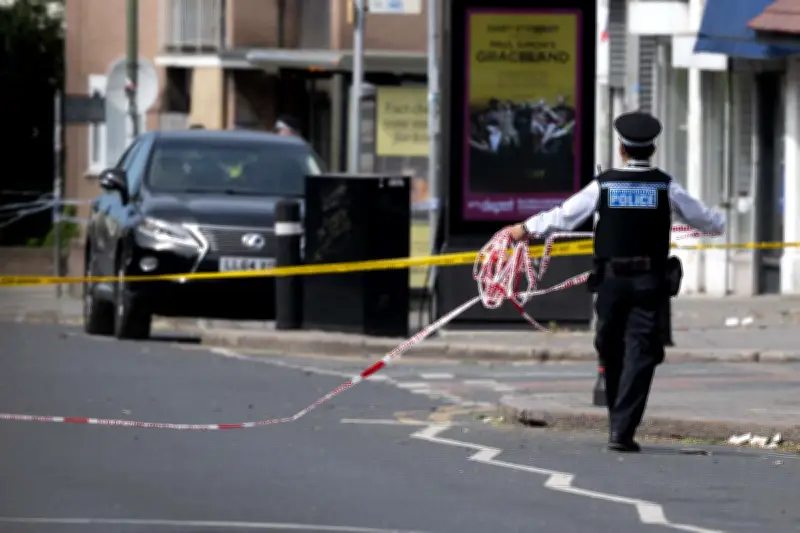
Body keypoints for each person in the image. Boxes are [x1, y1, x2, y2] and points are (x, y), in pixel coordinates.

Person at [505, 111, 725, 452]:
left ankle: (618, 425)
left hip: (611, 280)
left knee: (610, 347)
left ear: (622, 148)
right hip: (649, 281)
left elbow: (563, 216)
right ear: (651, 148)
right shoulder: (666, 185)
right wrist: (720, 219)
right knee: (641, 352)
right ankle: (621, 428)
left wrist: (524, 229)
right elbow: (708, 222)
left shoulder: (603, 185)